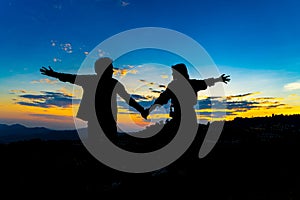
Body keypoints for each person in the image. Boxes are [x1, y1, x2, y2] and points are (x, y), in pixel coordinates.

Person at [40, 57, 147, 140]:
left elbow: (128, 99)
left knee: (102, 143)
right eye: (110, 68)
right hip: (101, 119)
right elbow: (71, 78)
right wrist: (141, 110)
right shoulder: (103, 82)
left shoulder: (96, 81)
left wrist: (141, 110)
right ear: (102, 70)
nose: (112, 71)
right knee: (104, 143)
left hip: (104, 119)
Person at [144, 63, 230, 123]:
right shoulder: (190, 84)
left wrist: (149, 110)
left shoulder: (174, 86)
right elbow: (162, 99)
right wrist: (219, 79)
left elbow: (162, 99)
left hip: (182, 116)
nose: (173, 75)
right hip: (186, 115)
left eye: (174, 73)